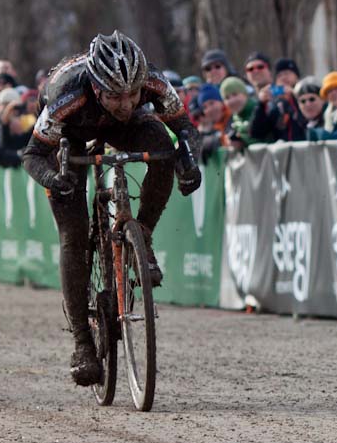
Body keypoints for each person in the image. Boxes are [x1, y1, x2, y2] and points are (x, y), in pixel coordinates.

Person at [20, 31, 201, 388]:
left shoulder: (153, 83)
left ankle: (142, 236)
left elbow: (185, 130)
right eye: (116, 96)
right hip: (72, 132)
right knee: (73, 236)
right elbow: (32, 155)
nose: (127, 102)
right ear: (98, 88)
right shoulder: (65, 97)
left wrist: (188, 162)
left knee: (160, 145)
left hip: (125, 132)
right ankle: (82, 346)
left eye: (133, 94)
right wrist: (53, 179)